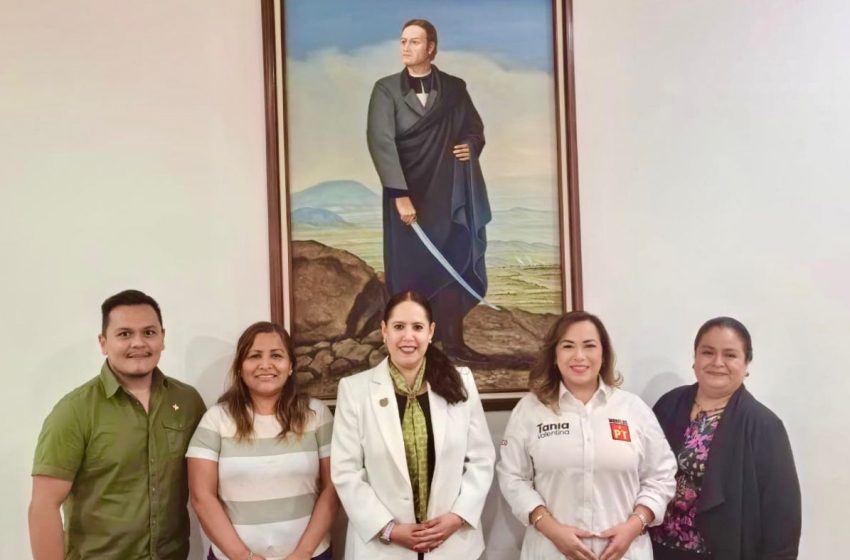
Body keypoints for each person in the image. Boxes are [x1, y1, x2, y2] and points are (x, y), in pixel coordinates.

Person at [28, 289, 206, 560]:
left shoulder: (187, 401)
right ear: (103, 343)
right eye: (124, 334)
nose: (138, 343)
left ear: (162, 338)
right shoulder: (74, 411)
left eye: (149, 332)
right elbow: (44, 504)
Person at [497, 311, 677, 560]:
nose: (579, 356)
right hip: (551, 551)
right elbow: (512, 477)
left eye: (589, 346)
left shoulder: (633, 409)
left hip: (626, 553)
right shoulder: (529, 410)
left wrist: (635, 525)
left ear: (603, 354)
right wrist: (552, 529)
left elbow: (661, 475)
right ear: (554, 356)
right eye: (568, 346)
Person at [331, 290, 494, 559]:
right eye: (399, 327)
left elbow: (481, 459)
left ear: (431, 332)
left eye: (417, 327)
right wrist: (389, 529)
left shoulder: (461, 381)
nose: (408, 337)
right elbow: (346, 472)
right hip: (382, 548)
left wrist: (457, 516)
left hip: (452, 545)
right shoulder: (354, 390)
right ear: (384, 331)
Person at [367, 18, 491, 363]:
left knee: (453, 260)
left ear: (431, 48)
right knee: (411, 268)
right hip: (408, 196)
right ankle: (414, 347)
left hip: (448, 194)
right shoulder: (385, 89)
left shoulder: (454, 88)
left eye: (414, 41)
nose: (406, 47)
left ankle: (454, 343)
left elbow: (474, 128)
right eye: (403, 41)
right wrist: (399, 195)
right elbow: (380, 142)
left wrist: (471, 145)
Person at [650, 317, 801, 560]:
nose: (717, 362)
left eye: (730, 355)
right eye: (707, 352)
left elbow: (782, 515)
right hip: (657, 550)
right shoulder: (669, 404)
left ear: (746, 364)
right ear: (695, 358)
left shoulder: (764, 426)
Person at [186, 321, 338, 560]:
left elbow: (333, 488)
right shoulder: (216, 419)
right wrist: (241, 555)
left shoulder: (316, 415)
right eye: (254, 356)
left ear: (290, 366)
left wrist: (304, 552)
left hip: (311, 555)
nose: (265, 365)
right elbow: (201, 497)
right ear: (240, 367)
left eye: (276, 355)